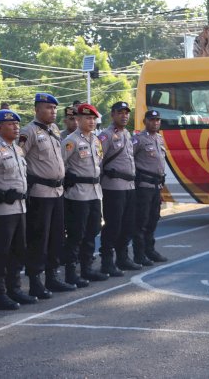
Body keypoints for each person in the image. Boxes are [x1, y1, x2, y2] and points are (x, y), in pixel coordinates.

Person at [19, 93, 76, 298]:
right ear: (37, 109)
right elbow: (19, 159)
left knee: (56, 236)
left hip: (57, 191)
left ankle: (53, 276)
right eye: (48, 108)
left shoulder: (54, 130)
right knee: (39, 238)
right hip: (40, 193)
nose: (53, 111)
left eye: (54, 108)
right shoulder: (28, 132)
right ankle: (36, 281)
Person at [0, 109, 33, 310]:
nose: (16, 127)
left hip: (19, 208)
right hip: (2, 211)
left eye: (17, 124)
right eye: (11, 124)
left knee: (18, 251)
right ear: (0, 127)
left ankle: (15, 289)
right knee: (0, 253)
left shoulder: (17, 150)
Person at [62, 103, 108, 287]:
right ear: (77, 120)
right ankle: (71, 272)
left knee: (92, 231)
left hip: (95, 192)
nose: (91, 121)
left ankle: (87, 268)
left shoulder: (96, 140)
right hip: (78, 194)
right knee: (76, 234)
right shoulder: (70, 141)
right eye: (87, 118)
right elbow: (60, 164)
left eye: (93, 118)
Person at [98, 101, 140, 275]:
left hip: (129, 186)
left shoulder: (128, 134)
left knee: (128, 224)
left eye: (126, 113)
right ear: (112, 115)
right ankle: (107, 262)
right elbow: (98, 161)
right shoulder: (105, 136)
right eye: (120, 112)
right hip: (113, 187)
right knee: (113, 225)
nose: (124, 116)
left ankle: (123, 258)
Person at [131, 110, 168, 265]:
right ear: (145, 121)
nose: (155, 122)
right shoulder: (138, 139)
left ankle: (150, 250)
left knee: (153, 219)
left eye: (157, 120)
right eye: (152, 120)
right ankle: (139, 254)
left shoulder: (159, 138)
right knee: (142, 221)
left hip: (156, 185)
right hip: (143, 186)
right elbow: (128, 158)